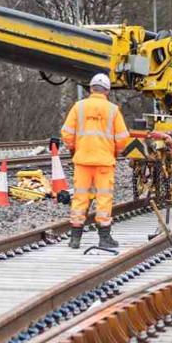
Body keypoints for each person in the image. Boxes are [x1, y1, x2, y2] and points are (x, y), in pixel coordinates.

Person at [61, 73, 131, 250]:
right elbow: (123, 139)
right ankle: (104, 238)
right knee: (103, 199)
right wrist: (114, 150)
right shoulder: (113, 110)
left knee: (79, 198)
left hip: (82, 161)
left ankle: (75, 239)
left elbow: (67, 133)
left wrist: (74, 148)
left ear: (91, 89)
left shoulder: (79, 107)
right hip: (104, 163)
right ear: (107, 91)